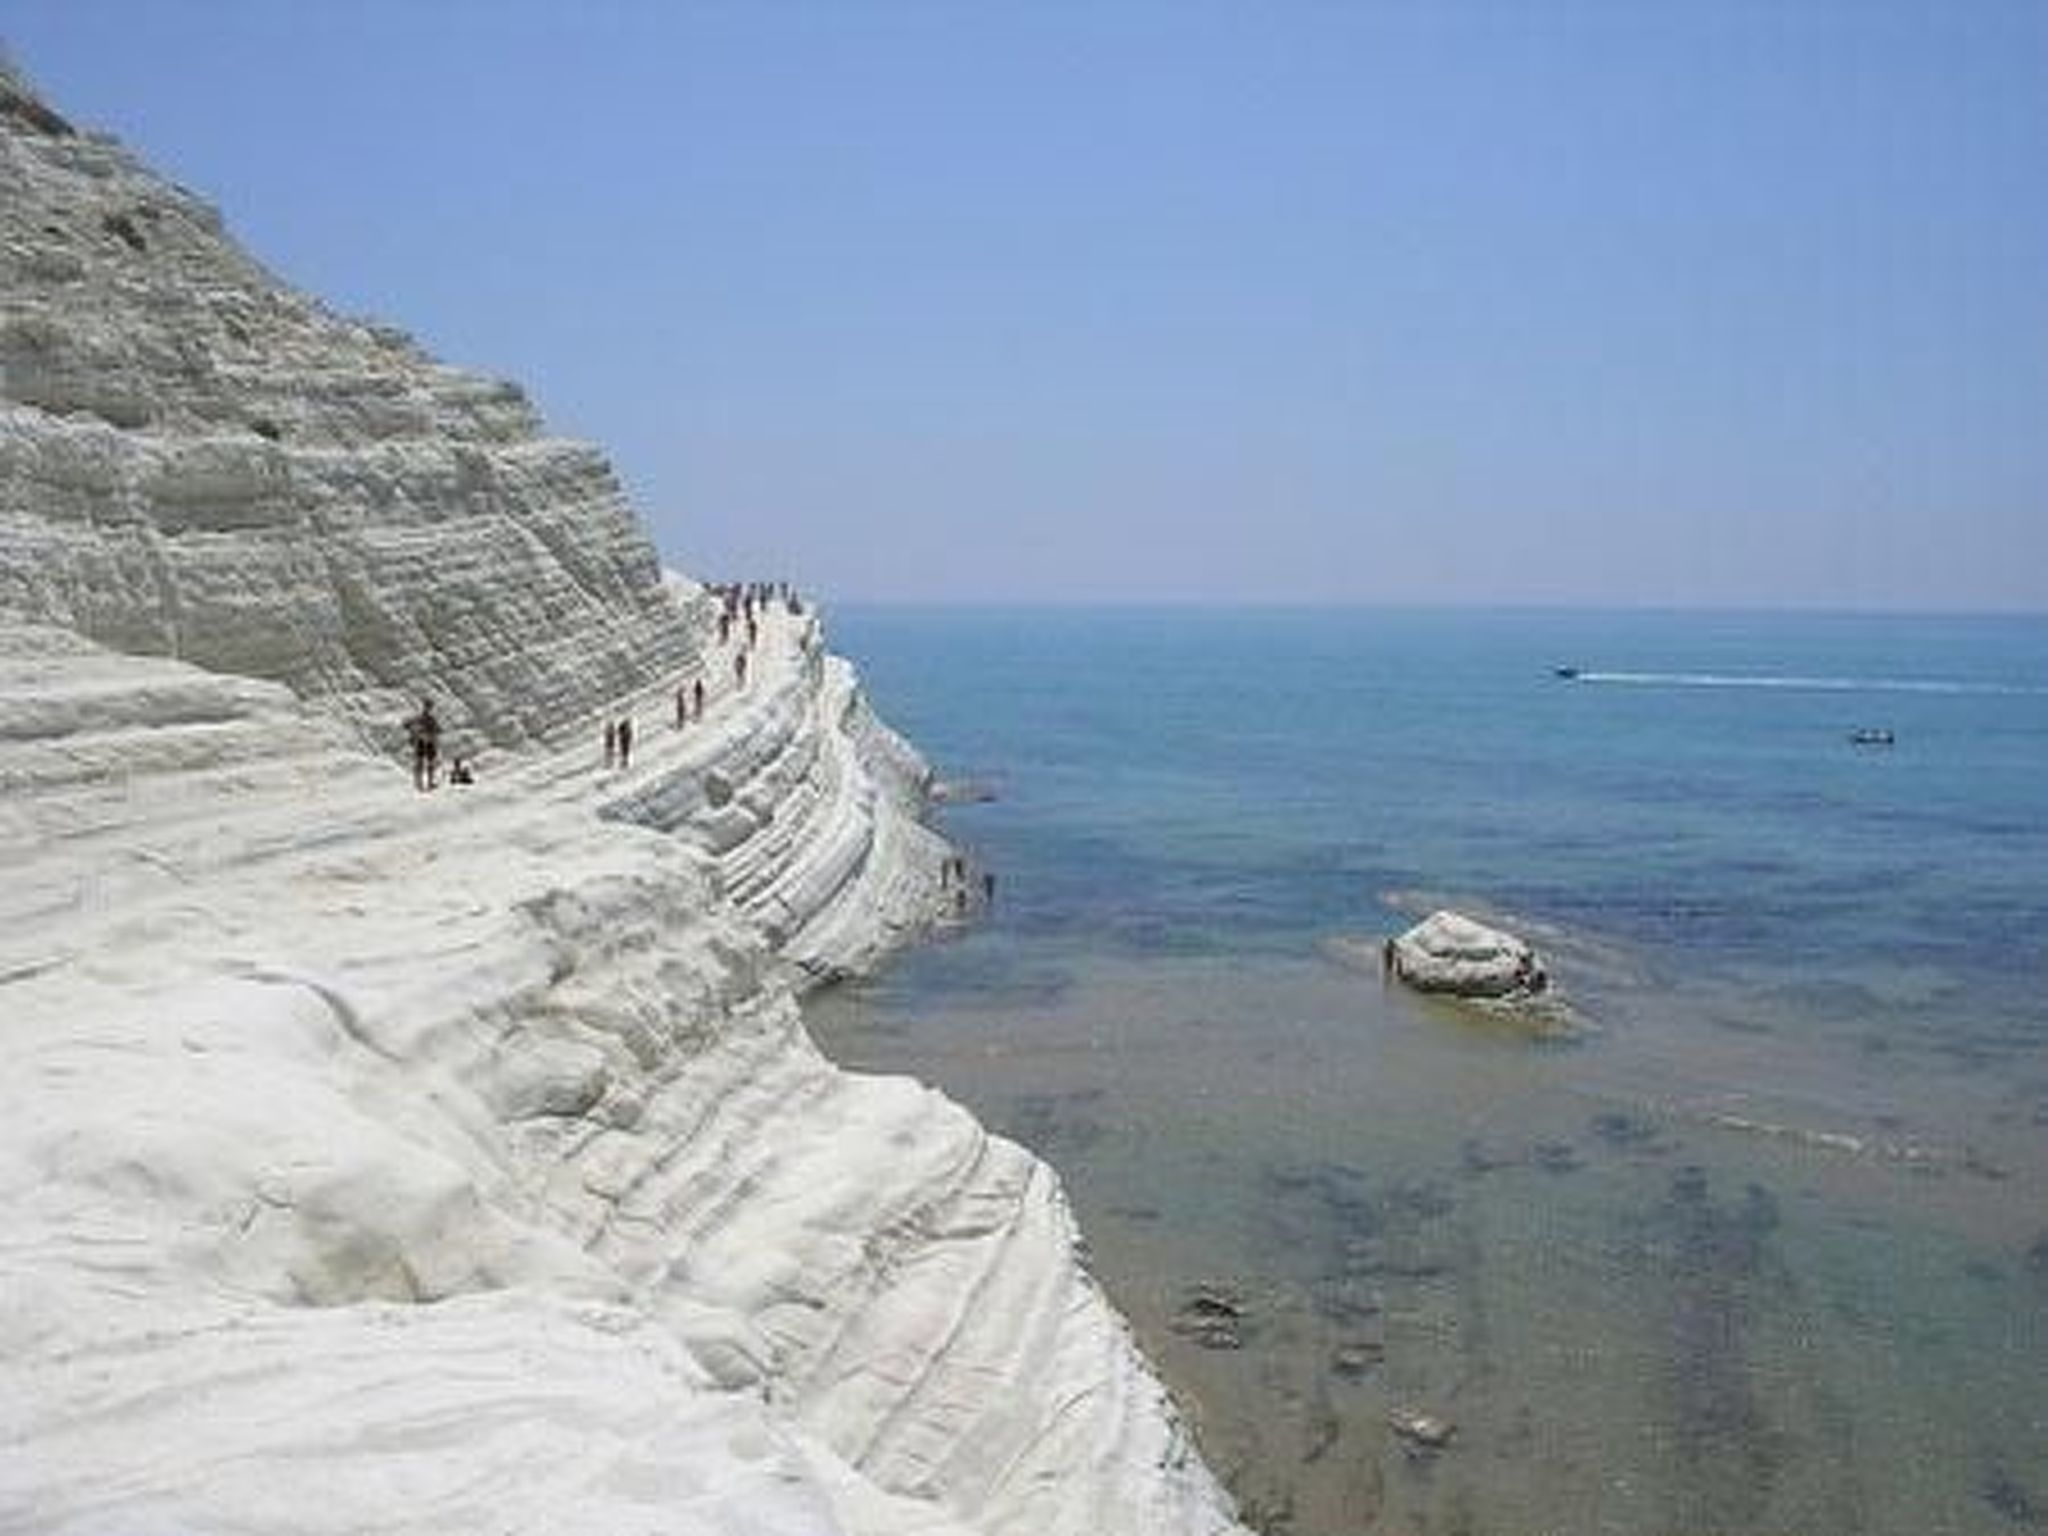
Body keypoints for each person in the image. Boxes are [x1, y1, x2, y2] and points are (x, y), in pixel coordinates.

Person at [405, 698, 440, 791]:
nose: (428, 709)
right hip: (424, 741)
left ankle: (426, 783)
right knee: (423, 763)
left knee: (428, 763)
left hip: (427, 742)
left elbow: (436, 730)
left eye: (429, 707)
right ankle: (421, 783)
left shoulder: (430, 719)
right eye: (428, 706)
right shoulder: (423, 719)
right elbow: (409, 725)